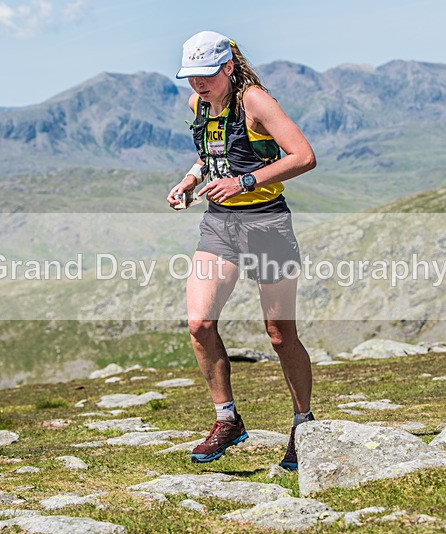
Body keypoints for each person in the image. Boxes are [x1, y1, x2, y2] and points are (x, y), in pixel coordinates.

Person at [167, 30, 317, 470]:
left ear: (228, 67)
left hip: (267, 224)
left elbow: (304, 156)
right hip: (219, 224)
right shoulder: (198, 104)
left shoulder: (255, 102)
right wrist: (191, 179)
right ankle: (227, 420)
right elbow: (211, 154)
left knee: (279, 335)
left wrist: (245, 182)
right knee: (199, 323)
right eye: (191, 76)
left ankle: (304, 425)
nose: (198, 84)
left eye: (206, 75)